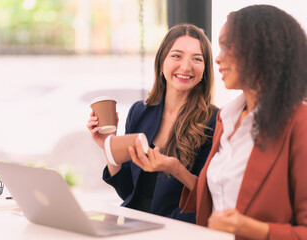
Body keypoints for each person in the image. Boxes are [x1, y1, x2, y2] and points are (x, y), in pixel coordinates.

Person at [129, 5, 307, 239]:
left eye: (228, 47)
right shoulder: (228, 119)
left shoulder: (299, 125)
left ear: (262, 52)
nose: (218, 58)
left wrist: (249, 229)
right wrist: (172, 167)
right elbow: (210, 198)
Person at [87, 23, 218, 222]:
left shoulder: (214, 121)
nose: (185, 66)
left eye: (197, 59)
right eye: (176, 55)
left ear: (204, 70)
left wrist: (175, 168)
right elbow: (129, 194)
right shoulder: (140, 112)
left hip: (178, 229)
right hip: (135, 226)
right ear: (161, 62)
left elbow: (210, 196)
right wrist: (109, 146)